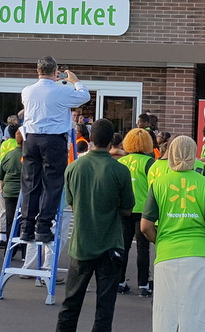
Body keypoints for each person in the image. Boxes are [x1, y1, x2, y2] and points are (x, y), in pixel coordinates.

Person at [56, 120, 135, 332]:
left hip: (82, 244)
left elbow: (71, 203)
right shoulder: (120, 170)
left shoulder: (73, 168)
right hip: (110, 245)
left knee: (70, 304)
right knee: (105, 308)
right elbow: (128, 208)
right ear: (112, 141)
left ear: (90, 139)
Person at [142, 136, 205, 332]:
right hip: (200, 257)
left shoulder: (159, 184)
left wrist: (160, 241)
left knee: (166, 318)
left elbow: (145, 226)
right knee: (200, 318)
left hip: (167, 255)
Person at [20, 57, 91, 243]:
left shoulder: (27, 91)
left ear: (37, 71)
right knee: (52, 183)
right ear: (55, 71)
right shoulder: (61, 91)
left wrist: (53, 79)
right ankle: (43, 226)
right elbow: (84, 96)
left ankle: (26, 227)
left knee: (30, 183)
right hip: (53, 140)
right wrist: (75, 81)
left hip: (31, 138)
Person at [117, 127, 157, 296]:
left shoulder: (121, 161)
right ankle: (143, 285)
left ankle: (120, 282)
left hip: (124, 209)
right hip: (143, 211)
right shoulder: (149, 162)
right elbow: (154, 187)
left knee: (123, 247)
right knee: (143, 249)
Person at [0, 128, 25, 248]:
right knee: (25, 220)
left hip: (9, 191)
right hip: (24, 192)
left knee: (10, 220)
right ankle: (24, 249)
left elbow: (0, 175)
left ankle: (9, 248)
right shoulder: (29, 155)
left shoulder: (9, 154)